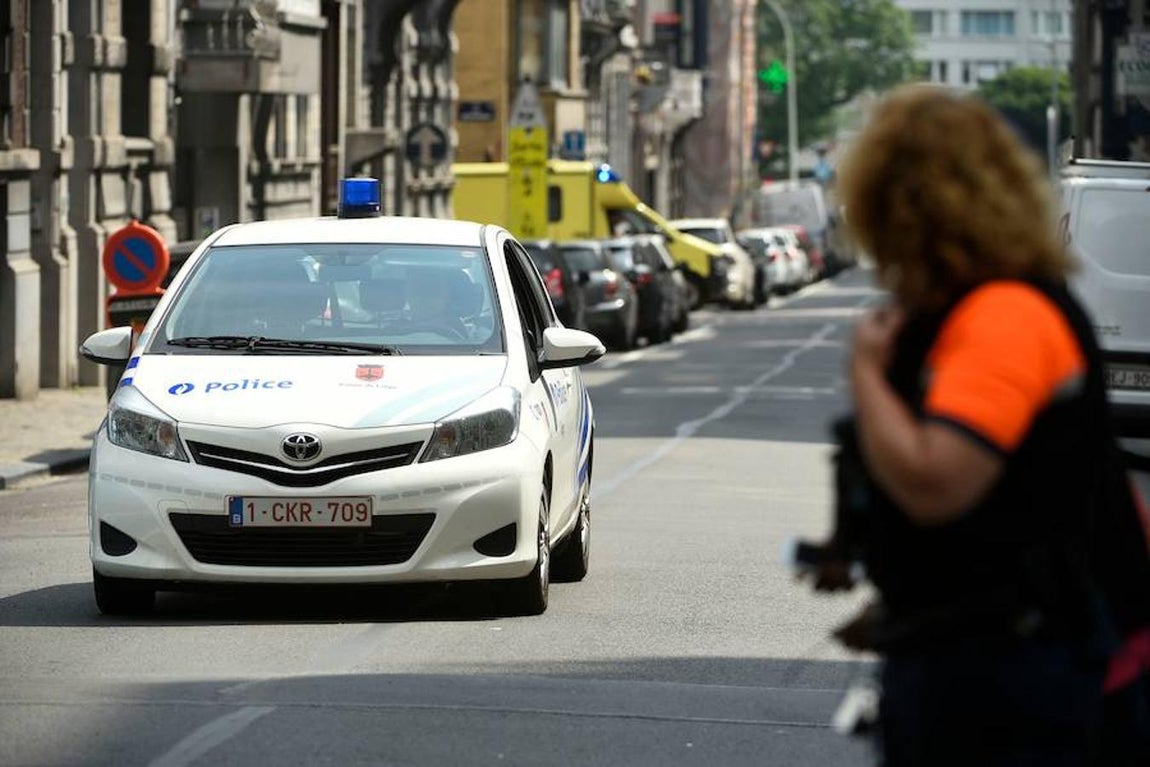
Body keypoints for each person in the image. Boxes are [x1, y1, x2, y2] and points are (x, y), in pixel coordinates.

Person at [825, 84, 1150, 765]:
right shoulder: (997, 305)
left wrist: (866, 369)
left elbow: (937, 478)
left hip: (1024, 683)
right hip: (1008, 659)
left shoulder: (1005, 315)